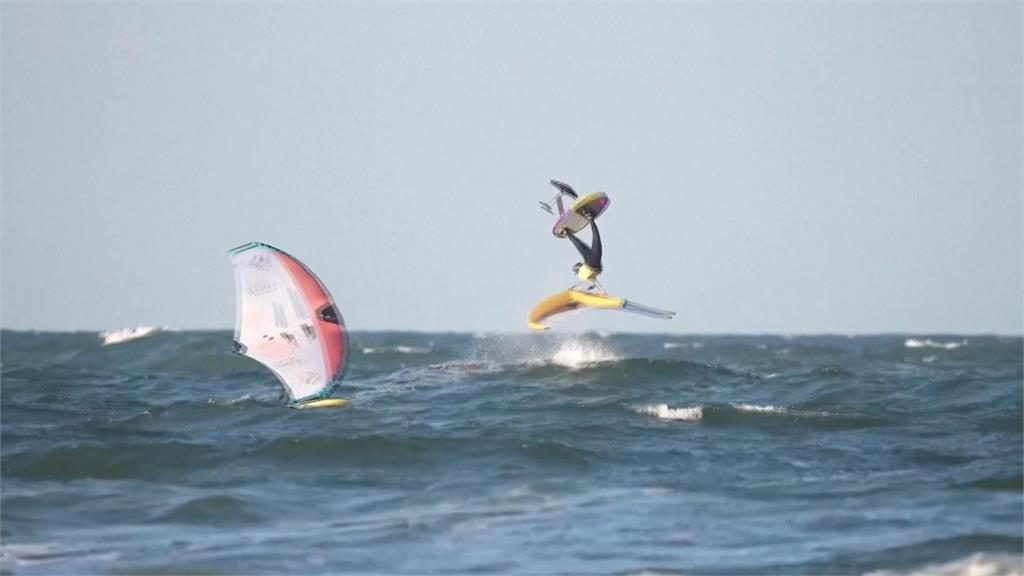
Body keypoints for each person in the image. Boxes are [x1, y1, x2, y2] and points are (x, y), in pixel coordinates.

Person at [567, 216, 604, 294]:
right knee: (584, 244)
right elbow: (590, 282)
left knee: (595, 239)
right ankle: (568, 234)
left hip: (593, 262)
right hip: (592, 262)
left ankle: (590, 219)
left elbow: (591, 283)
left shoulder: (582, 275)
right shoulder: (582, 276)